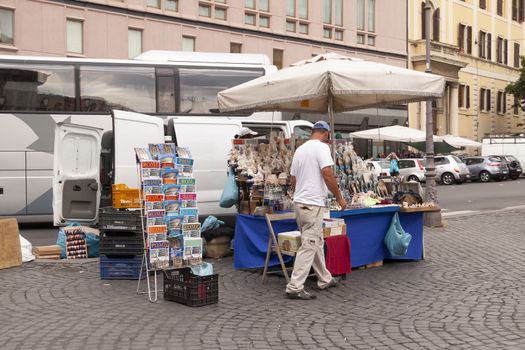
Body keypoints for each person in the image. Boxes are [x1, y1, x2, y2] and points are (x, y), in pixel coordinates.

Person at [285, 120, 347, 300]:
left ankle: (324, 278)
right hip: (312, 204)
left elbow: (293, 179)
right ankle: (295, 287)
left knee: (315, 240)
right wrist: (339, 197)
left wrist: (299, 195)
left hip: (300, 203)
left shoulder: (300, 149)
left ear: (313, 131)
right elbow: (327, 175)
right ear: (326, 134)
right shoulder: (322, 148)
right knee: (309, 244)